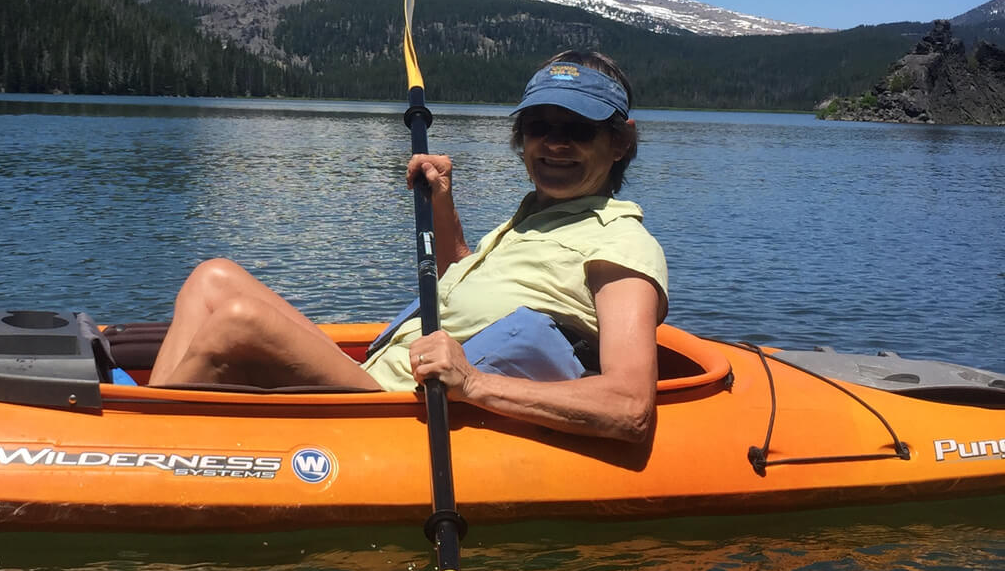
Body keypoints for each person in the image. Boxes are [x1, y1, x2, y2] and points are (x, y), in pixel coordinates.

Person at [148, 50, 668, 444]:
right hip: (377, 378)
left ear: (619, 142)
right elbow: (462, 286)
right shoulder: (536, 219)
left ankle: (146, 447)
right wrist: (442, 202)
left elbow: (630, 406)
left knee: (240, 321)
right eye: (539, 127)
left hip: (398, 411)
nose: (555, 144)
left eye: (578, 130)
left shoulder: (619, 243)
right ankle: (144, 417)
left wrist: (474, 385)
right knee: (212, 277)